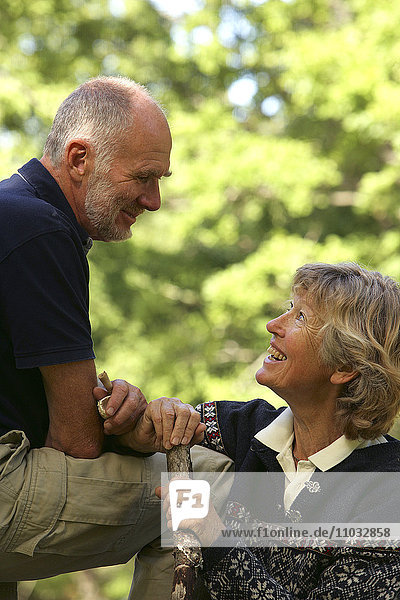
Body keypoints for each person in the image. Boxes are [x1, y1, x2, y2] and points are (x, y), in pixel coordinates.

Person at [0, 76, 233, 594]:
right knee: (207, 479)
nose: (154, 200)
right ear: (79, 159)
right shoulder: (41, 230)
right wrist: (121, 429)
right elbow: (76, 442)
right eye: (144, 177)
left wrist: (108, 403)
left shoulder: (11, 212)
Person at [158, 262, 400, 599]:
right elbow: (168, 425)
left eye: (301, 317)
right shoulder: (248, 428)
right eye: (290, 308)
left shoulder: (389, 495)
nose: (273, 325)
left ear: (345, 366)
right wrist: (146, 419)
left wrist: (212, 533)